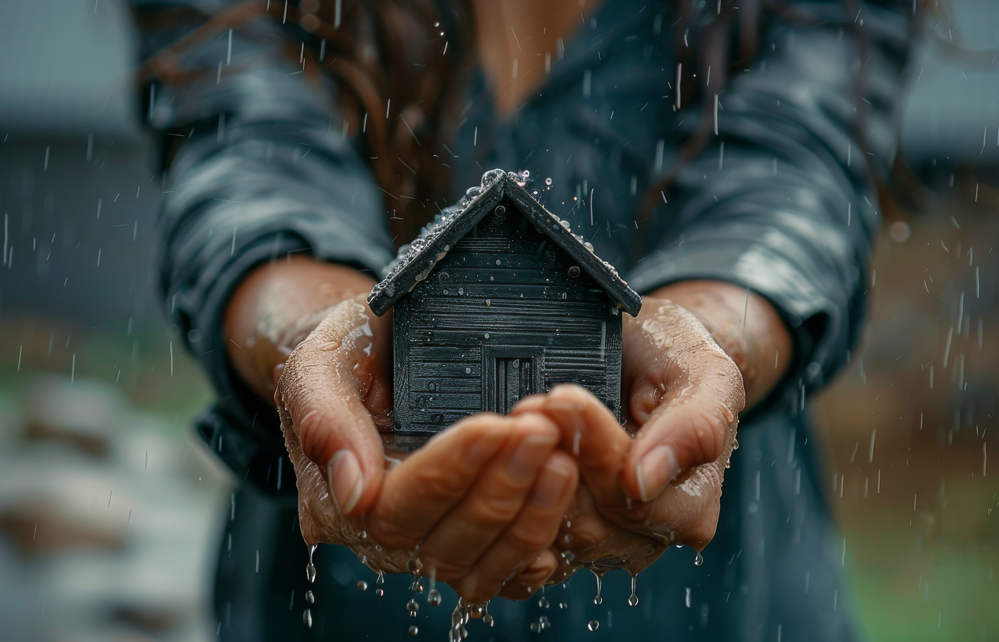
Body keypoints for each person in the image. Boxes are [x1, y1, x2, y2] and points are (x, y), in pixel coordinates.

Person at [132, 0, 913, 639]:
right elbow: (246, 160)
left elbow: (794, 174)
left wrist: (708, 343)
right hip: (339, 597)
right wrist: (319, 342)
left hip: (719, 599)